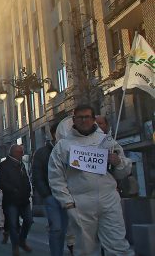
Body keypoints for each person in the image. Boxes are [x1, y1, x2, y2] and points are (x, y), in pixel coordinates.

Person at [49, 104, 134, 256]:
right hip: (81, 203)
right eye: (79, 117)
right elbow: (56, 177)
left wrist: (118, 162)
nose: (83, 120)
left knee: (118, 245)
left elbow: (124, 171)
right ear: (73, 120)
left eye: (87, 117)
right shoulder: (63, 146)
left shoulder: (107, 142)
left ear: (93, 119)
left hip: (108, 200)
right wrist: (67, 203)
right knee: (85, 249)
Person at [32, 121, 67, 256]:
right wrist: (47, 195)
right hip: (52, 196)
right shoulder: (42, 153)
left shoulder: (71, 149)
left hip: (71, 195)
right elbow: (37, 175)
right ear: (54, 134)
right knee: (57, 228)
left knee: (73, 229)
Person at [0, 144, 33, 256]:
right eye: (19, 152)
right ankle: (15, 246)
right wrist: (12, 190)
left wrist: (27, 191)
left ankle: (22, 240)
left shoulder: (21, 164)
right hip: (11, 200)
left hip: (24, 199)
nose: (21, 154)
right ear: (13, 152)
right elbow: (1, 182)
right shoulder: (3, 165)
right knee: (13, 225)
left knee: (28, 220)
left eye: (22, 152)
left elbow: (26, 180)